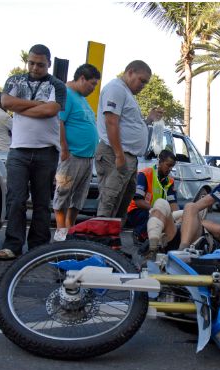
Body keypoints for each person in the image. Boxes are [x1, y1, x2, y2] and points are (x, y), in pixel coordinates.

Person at [0, 44, 67, 260]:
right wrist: (36, 104)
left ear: (49, 64)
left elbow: (51, 110)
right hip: (18, 150)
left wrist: (21, 106)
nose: (35, 68)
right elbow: (5, 101)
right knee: (15, 198)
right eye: (32, 63)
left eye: (40, 64)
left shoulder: (57, 85)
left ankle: (38, 247)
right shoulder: (14, 80)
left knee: (41, 202)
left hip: (47, 152)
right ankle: (12, 245)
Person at [95, 59, 164, 223]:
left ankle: (110, 239)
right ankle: (99, 242)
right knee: (109, 199)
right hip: (115, 153)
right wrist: (119, 155)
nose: (143, 86)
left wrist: (148, 120)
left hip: (128, 156)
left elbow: (129, 124)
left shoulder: (126, 93)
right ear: (130, 72)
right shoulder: (116, 89)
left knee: (122, 199)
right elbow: (111, 121)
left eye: (146, 83)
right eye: (142, 81)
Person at [52, 64, 101, 242]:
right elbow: (60, 123)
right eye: (92, 84)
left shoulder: (81, 98)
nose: (93, 88)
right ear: (81, 78)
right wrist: (64, 149)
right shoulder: (66, 94)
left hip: (87, 157)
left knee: (78, 198)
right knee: (63, 194)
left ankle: (70, 230)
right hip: (72, 155)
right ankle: (60, 231)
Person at [126, 149, 178, 243]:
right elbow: (138, 202)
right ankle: (139, 234)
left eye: (172, 166)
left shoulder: (170, 181)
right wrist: (157, 210)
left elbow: (173, 203)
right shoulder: (145, 174)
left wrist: (177, 217)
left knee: (180, 212)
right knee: (150, 215)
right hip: (137, 211)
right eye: (168, 165)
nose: (170, 169)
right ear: (160, 162)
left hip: (155, 209)